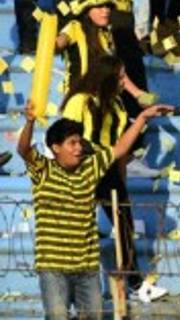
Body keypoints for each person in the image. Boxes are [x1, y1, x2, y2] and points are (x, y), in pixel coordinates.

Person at [18, 98, 169, 319]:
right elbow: (23, 149)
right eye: (72, 143)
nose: (79, 148)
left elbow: (120, 149)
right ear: (56, 148)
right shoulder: (43, 170)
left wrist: (143, 118)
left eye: (80, 142)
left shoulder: (90, 166)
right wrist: (30, 122)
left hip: (87, 267)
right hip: (53, 267)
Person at [60, 54, 169, 303]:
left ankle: (135, 283)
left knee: (125, 225)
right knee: (78, 233)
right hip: (82, 170)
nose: (123, 82)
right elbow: (66, 138)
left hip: (109, 172)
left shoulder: (118, 106)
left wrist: (120, 180)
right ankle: (73, 288)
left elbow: (120, 147)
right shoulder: (81, 101)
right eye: (119, 77)